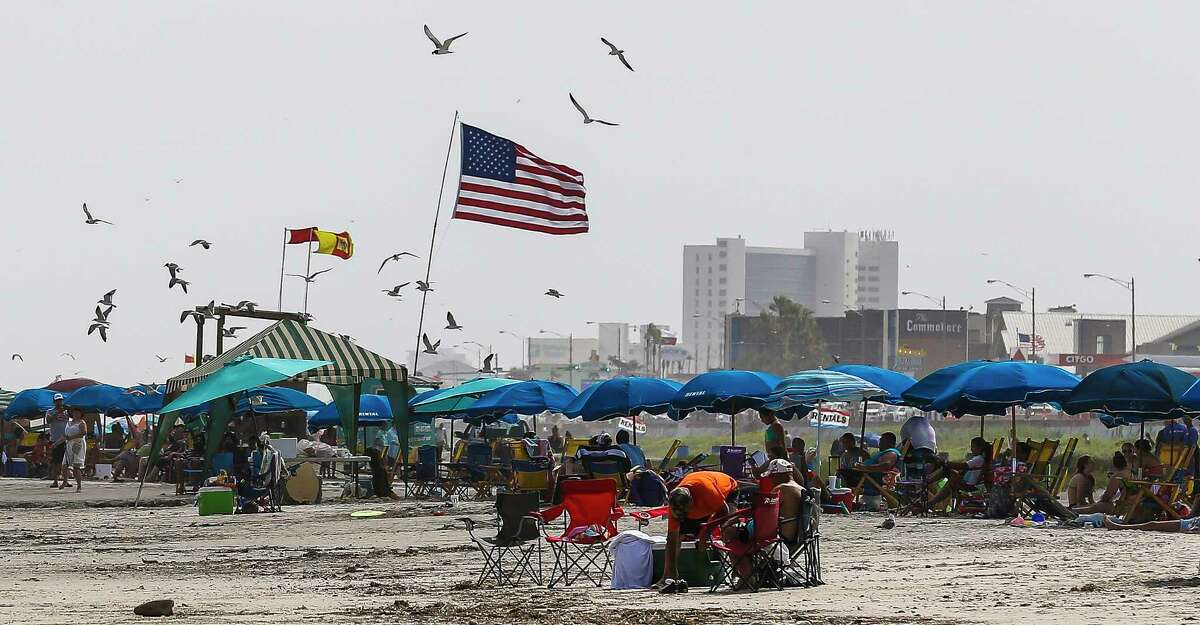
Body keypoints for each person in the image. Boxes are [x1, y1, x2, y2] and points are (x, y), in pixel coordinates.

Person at [656, 470, 739, 593]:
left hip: (727, 492)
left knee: (728, 530)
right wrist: (673, 571)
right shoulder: (675, 504)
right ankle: (668, 576)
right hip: (702, 504)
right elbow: (672, 539)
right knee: (675, 538)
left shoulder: (707, 491)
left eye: (685, 513)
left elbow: (724, 512)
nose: (683, 516)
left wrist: (706, 534)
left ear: (691, 501)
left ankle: (737, 572)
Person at [925, 437, 991, 512]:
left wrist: (946, 463)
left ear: (980, 448)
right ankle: (929, 498)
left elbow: (963, 466)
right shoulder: (978, 458)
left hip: (970, 485)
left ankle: (927, 484)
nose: (971, 449)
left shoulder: (979, 459)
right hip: (967, 482)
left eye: (973, 447)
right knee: (948, 476)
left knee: (947, 472)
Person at [765, 459, 813, 550]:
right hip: (798, 538)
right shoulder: (802, 489)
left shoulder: (781, 489)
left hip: (782, 538)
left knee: (738, 535)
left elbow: (765, 515)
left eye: (771, 476)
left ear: (780, 475)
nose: (770, 480)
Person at [850, 432, 900, 510]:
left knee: (845, 476)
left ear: (890, 442)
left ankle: (843, 500)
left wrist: (865, 467)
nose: (879, 443)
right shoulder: (882, 453)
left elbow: (886, 465)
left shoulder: (891, 452)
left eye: (882, 441)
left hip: (871, 478)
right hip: (867, 476)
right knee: (843, 473)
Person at [45, 393, 70, 488]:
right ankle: (55, 481)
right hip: (55, 439)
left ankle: (65, 481)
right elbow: (48, 420)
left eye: (60, 400)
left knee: (65, 462)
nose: (59, 402)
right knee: (56, 461)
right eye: (57, 401)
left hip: (65, 439)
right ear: (54, 402)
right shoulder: (50, 411)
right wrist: (57, 412)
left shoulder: (66, 412)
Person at [61, 409, 88, 492]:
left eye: (78, 413)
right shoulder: (69, 423)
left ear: (81, 414)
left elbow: (84, 432)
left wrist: (71, 438)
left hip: (78, 444)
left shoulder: (81, 422)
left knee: (76, 466)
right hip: (69, 444)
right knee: (64, 465)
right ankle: (65, 481)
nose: (76, 414)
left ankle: (79, 486)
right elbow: (65, 436)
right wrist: (56, 443)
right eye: (74, 412)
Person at [1103, 515, 1200, 533]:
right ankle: (1118, 527)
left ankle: (1118, 527)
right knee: (1152, 524)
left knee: (1152, 525)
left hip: (1191, 524)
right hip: (1192, 522)